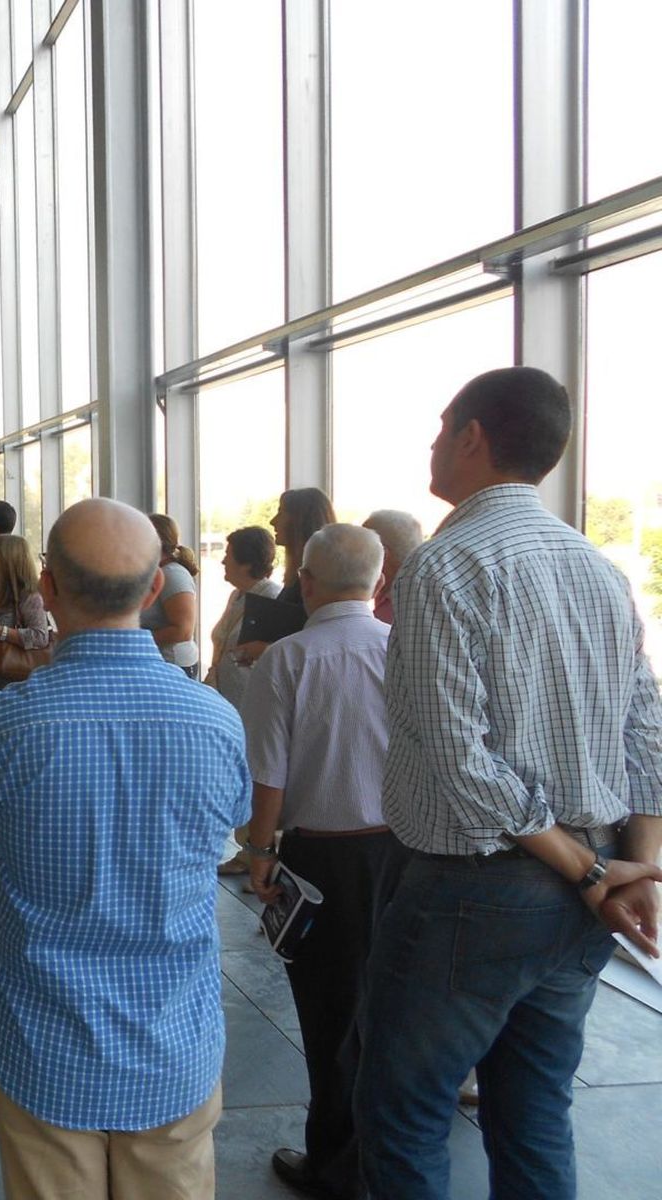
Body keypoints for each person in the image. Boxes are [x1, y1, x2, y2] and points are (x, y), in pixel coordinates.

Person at [354, 367, 662, 1200]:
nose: (431, 443)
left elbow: (463, 762)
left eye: (440, 425)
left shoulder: (443, 566)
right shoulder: (596, 567)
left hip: (477, 891)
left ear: (473, 436)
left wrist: (594, 872)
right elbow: (645, 729)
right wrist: (633, 864)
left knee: (402, 1112)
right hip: (584, 889)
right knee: (533, 1111)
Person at [0, 498, 251, 1200]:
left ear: (47, 587)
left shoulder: (6, 722)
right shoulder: (215, 720)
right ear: (155, 590)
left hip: (41, 1044)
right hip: (174, 1045)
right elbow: (220, 836)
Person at [240, 525, 410, 1200]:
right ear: (380, 582)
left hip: (319, 860)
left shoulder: (288, 659)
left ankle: (334, 1161)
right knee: (393, 1008)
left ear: (306, 580)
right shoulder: (404, 649)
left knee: (328, 1015)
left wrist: (258, 852)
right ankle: (389, 1151)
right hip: (406, 852)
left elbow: (269, 779)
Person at [204, 525, 281, 876]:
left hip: (253, 700)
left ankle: (257, 852)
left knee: (255, 771)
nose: (222, 559)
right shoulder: (238, 596)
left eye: (229, 553)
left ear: (246, 560)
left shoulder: (271, 598)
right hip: (228, 698)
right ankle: (245, 848)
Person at [235, 489, 336, 668]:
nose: (273, 521)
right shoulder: (301, 576)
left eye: (281, 512)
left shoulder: (316, 581)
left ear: (299, 520)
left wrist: (264, 650)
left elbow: (319, 643)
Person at [0, 533, 51, 699]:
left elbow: (41, 636)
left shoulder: (30, 596)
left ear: (7, 559)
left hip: (15, 684)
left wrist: (0, 631)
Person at [144, 513, 200, 676]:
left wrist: (134, 642)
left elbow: (182, 630)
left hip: (173, 664)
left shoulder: (174, 574)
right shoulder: (157, 572)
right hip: (160, 661)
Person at [359, 509, 422, 625]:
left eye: (361, 549)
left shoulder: (401, 608)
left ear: (382, 554)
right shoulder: (412, 591)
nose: (356, 558)